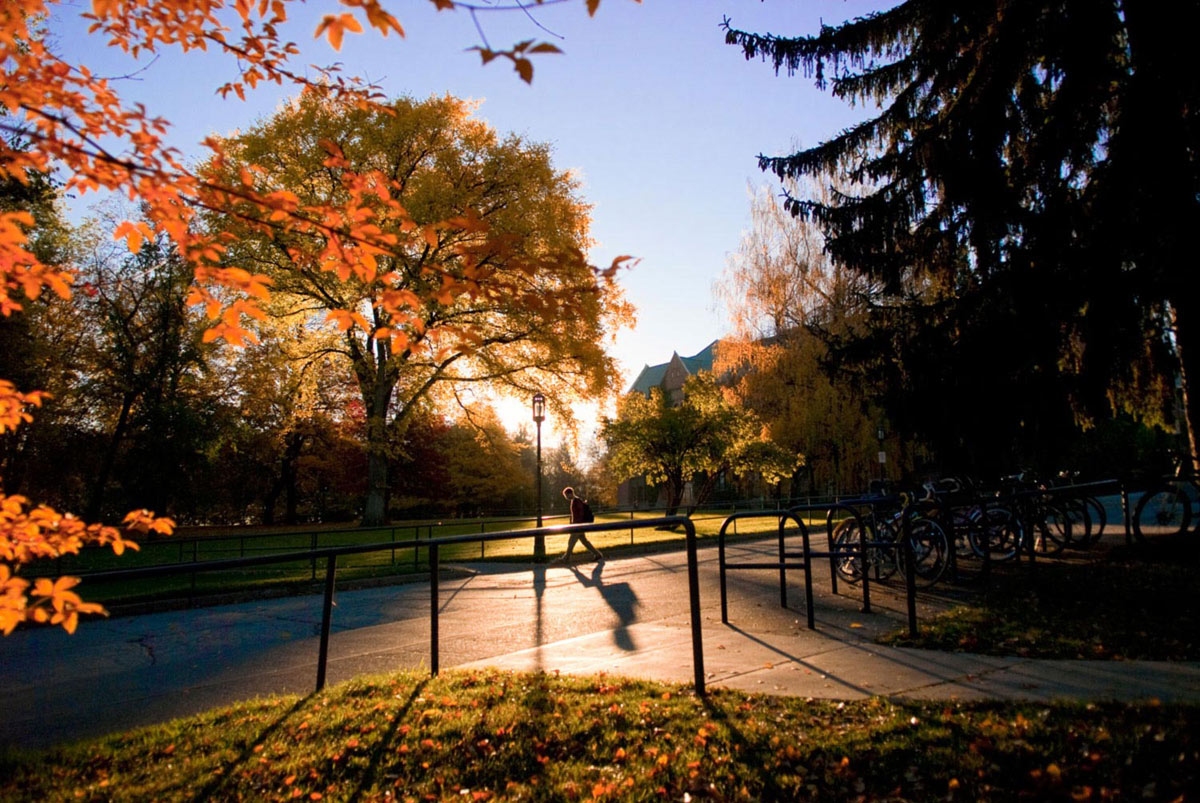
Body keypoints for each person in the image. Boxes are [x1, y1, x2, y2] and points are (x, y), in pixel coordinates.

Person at [552, 486, 604, 564]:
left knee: (571, 542)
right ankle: (597, 554)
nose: (566, 497)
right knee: (584, 542)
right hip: (578, 525)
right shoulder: (575, 501)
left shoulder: (576, 501)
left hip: (578, 526)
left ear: (570, 494)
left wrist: (576, 525)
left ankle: (565, 558)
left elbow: (580, 514)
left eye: (566, 495)